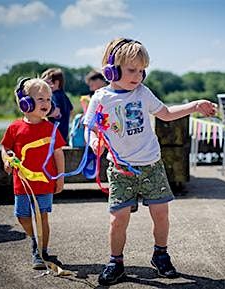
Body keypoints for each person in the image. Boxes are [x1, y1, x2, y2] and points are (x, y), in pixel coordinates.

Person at [83, 38, 217, 285]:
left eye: (142, 70)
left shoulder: (143, 93)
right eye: (132, 70)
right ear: (111, 69)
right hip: (121, 170)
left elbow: (166, 114)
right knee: (118, 219)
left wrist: (195, 105)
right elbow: (89, 129)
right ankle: (116, 262)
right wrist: (93, 142)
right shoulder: (100, 98)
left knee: (161, 214)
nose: (138, 76)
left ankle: (160, 255)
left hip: (151, 166)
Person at [0, 77, 66, 270]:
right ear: (25, 102)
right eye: (40, 99)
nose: (46, 103)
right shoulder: (15, 128)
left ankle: (41, 250)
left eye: (48, 99)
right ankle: (34, 239)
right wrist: (6, 159)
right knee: (22, 217)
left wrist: (60, 177)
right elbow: (5, 147)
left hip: (44, 183)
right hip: (22, 183)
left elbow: (58, 154)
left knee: (42, 217)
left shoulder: (50, 128)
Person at [41, 68, 73, 143]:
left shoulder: (54, 95)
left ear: (56, 83)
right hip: (63, 134)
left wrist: (41, 114)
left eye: (46, 83)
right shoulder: (64, 96)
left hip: (54, 135)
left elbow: (56, 112)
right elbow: (71, 110)